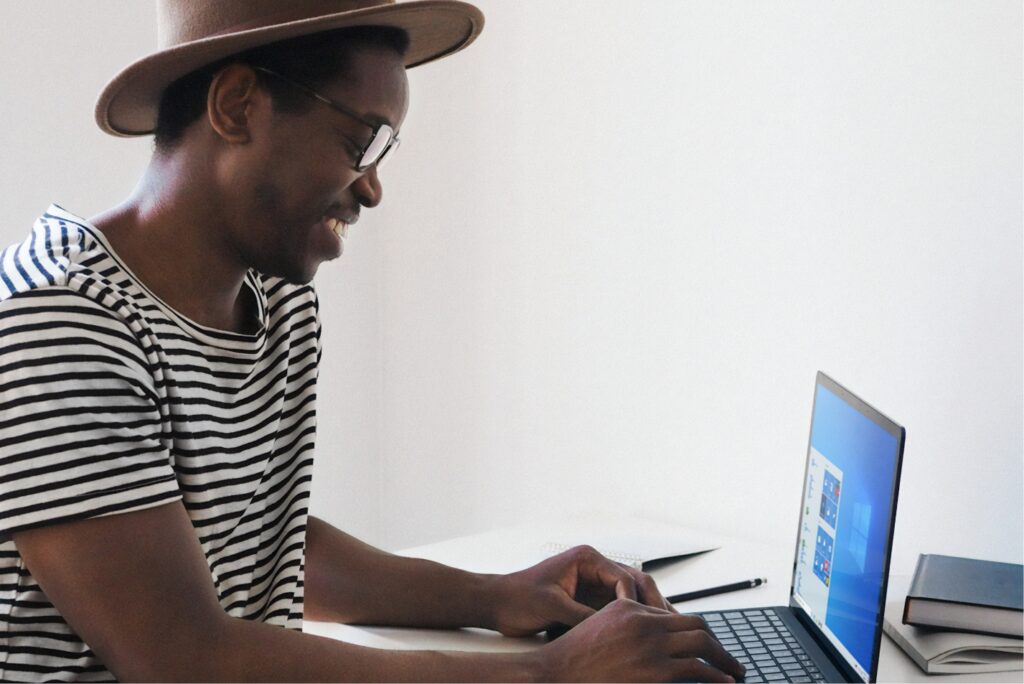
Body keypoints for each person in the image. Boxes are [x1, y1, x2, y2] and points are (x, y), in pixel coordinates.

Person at [0, 1, 745, 681]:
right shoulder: (59, 322)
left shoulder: (275, 297)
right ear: (237, 106)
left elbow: (268, 543)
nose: (371, 188)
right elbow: (182, 657)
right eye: (363, 140)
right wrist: (551, 674)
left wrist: (501, 596)